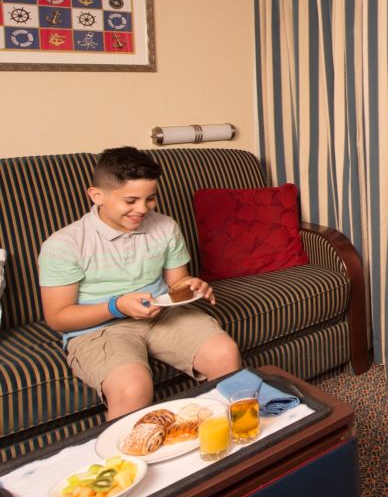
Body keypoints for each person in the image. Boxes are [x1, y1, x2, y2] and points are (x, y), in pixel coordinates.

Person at [39, 146, 242, 419]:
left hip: (162, 315)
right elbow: (58, 318)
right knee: (132, 388)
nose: (143, 209)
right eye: (131, 200)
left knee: (224, 354)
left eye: (151, 198)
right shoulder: (64, 244)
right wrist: (116, 306)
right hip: (99, 329)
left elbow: (177, 283)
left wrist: (191, 286)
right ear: (97, 196)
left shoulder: (166, 227)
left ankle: (227, 437)